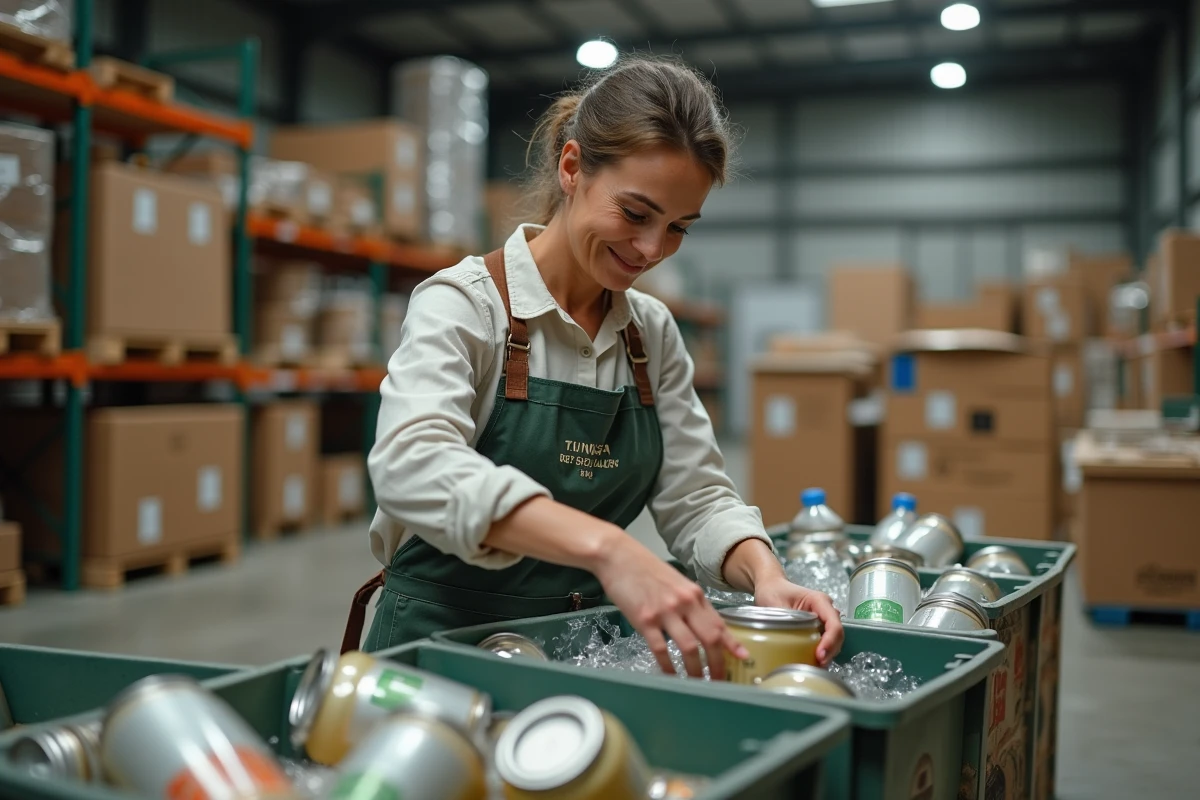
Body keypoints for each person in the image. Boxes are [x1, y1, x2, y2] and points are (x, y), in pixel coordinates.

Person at [341, 56, 843, 679]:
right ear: (573, 167)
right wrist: (610, 550)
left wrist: (765, 576)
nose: (652, 250)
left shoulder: (650, 334)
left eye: (678, 227)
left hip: (583, 655)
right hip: (437, 656)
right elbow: (412, 465)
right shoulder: (467, 305)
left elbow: (697, 496)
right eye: (635, 214)